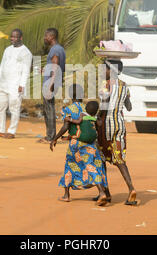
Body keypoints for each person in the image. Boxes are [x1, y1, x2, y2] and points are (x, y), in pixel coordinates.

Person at [50, 84, 109, 206]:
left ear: (71, 95)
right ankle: (102, 191)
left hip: (75, 144)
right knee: (94, 166)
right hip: (91, 143)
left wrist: (54, 138)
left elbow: (66, 126)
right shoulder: (87, 108)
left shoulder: (68, 109)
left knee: (70, 166)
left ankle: (67, 195)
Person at [97, 59, 137, 206]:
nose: (102, 71)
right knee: (119, 158)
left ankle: (105, 193)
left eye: (105, 69)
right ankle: (131, 188)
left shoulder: (105, 85)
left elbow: (104, 105)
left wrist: (98, 119)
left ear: (111, 71)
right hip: (120, 123)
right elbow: (129, 106)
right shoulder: (124, 86)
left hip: (106, 124)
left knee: (101, 157)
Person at [0, 29, 32, 139]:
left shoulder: (26, 52)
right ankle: (0, 130)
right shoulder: (7, 50)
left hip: (15, 85)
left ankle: (11, 131)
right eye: (11, 37)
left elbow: (26, 70)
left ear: (21, 38)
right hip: (3, 83)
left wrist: (22, 85)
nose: (12, 39)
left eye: (15, 37)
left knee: (14, 108)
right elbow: (2, 65)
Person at [38, 28, 66, 144]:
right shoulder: (59, 49)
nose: (45, 38)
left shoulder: (55, 50)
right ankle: (50, 135)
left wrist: (51, 84)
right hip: (52, 81)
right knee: (49, 108)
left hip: (50, 83)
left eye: (46, 36)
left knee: (49, 110)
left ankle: (50, 137)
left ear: (51, 37)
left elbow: (55, 68)